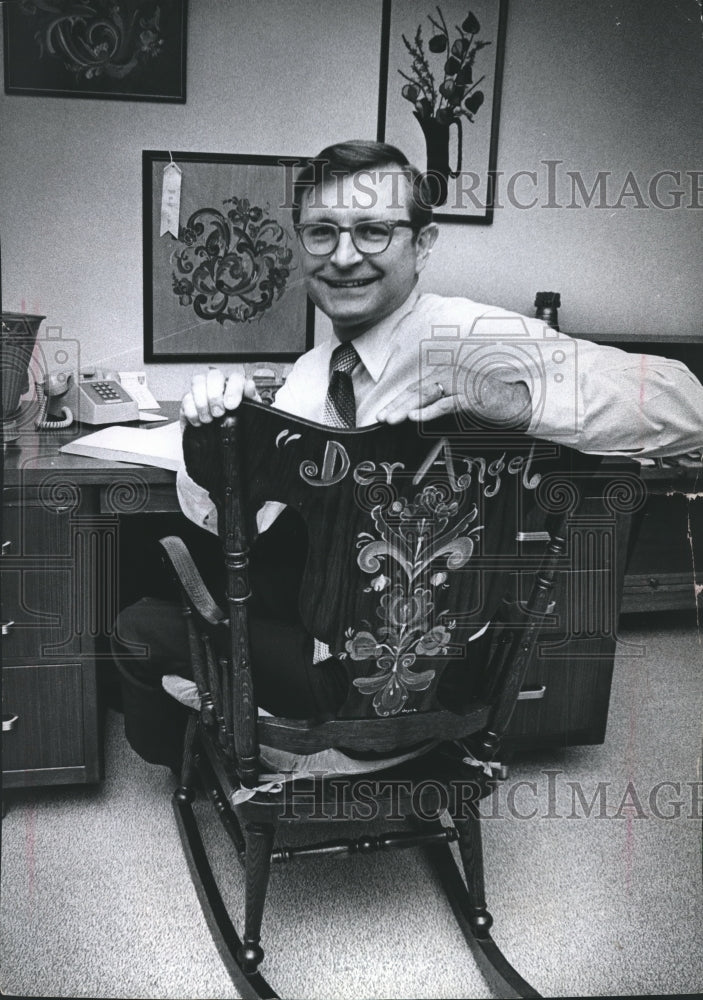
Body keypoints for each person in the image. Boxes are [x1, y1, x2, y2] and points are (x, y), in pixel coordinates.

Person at [113, 139, 703, 772]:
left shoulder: (471, 335)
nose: (344, 257)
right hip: (339, 624)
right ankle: (268, 733)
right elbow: (236, 528)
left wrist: (518, 400)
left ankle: (229, 745)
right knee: (166, 569)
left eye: (372, 231)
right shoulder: (313, 374)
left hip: (424, 669)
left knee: (136, 629)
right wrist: (215, 432)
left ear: (422, 246)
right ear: (300, 246)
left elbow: (685, 403)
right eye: (322, 233)